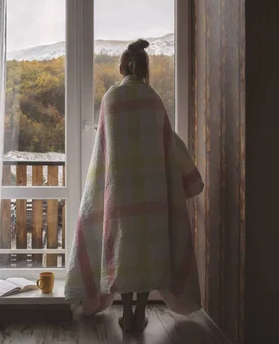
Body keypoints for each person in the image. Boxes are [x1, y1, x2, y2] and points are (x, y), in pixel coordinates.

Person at [64, 39, 204, 333]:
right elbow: (170, 141)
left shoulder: (110, 99)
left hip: (119, 193)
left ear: (122, 65)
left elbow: (103, 148)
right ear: (143, 67)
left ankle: (126, 313)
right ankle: (140, 313)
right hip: (153, 193)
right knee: (147, 252)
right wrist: (190, 176)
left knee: (123, 253)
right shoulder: (152, 98)